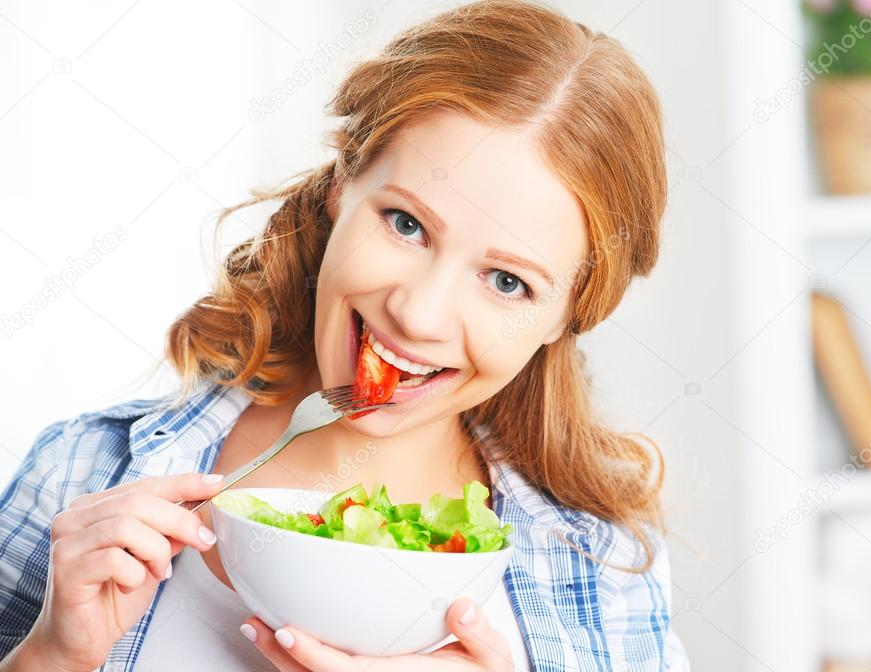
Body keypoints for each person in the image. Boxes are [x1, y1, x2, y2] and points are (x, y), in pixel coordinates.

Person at [0, 1, 689, 670]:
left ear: (568, 316)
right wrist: (51, 660)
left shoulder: (600, 564)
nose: (418, 315)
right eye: (406, 225)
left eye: (507, 282)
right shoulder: (82, 474)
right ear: (341, 186)